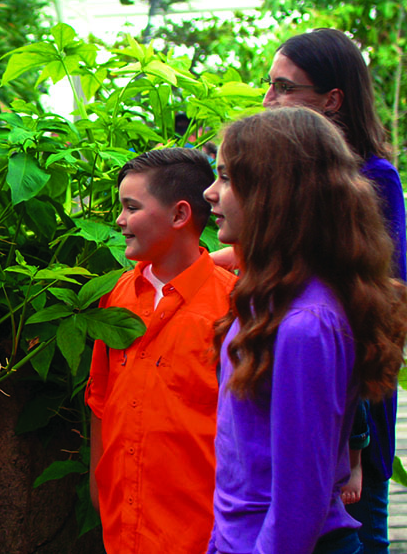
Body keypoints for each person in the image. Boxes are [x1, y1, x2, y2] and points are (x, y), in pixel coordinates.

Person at [214, 28, 406, 551]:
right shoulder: (275, 299)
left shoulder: (309, 321)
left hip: (346, 407)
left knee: (357, 516)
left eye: (283, 87)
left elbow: (379, 295)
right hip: (251, 519)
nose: (268, 98)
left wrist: (358, 448)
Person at [85, 147, 236, 554]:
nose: (119, 221)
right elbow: (101, 401)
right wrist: (101, 492)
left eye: (131, 207)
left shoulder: (232, 305)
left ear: (179, 215)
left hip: (202, 527)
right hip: (124, 524)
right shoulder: (116, 296)